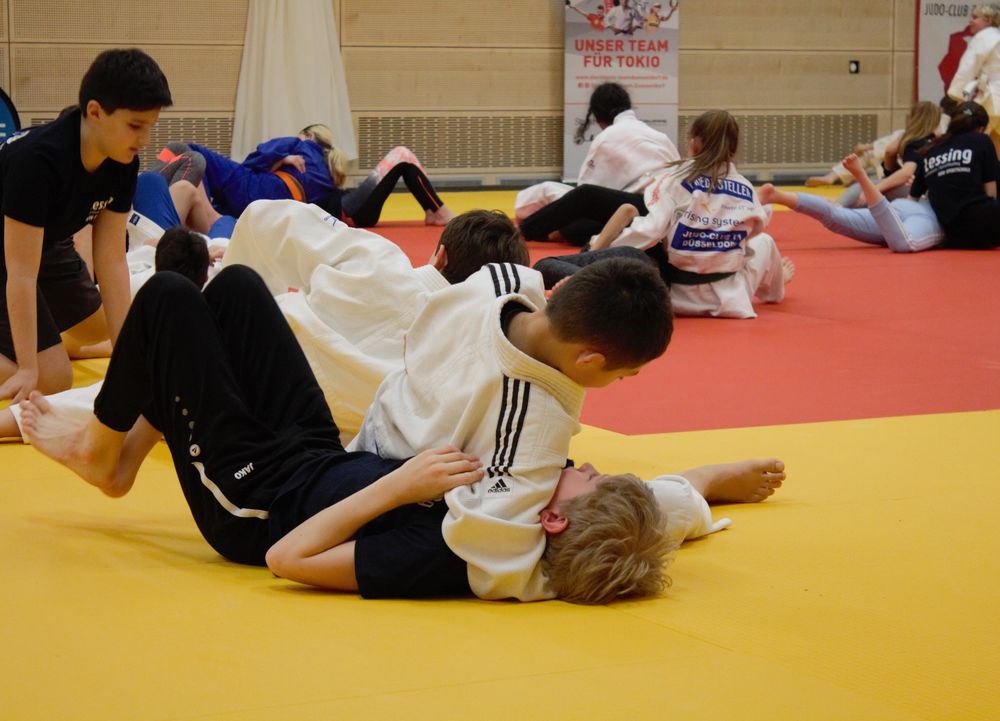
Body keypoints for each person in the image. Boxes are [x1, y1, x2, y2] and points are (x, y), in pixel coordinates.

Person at [16, 266, 780, 603]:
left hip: (257, 505)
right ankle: (134, 439)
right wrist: (704, 481)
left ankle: (105, 458)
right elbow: (646, 508)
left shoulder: (477, 546)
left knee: (169, 299)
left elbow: (288, 557)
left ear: (550, 518)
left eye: (586, 476)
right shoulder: (523, 494)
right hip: (320, 453)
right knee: (240, 289)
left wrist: (399, 485)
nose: (585, 461)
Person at [349, 256, 674, 600]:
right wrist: (594, 575)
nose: (618, 382)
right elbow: (501, 559)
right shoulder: (537, 429)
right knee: (641, 509)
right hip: (383, 475)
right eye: (621, 376)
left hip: (380, 409)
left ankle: (701, 486)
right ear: (588, 360)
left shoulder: (500, 278)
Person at [222, 201, 530, 440]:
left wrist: (259, 304)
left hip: (243, 371)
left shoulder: (378, 259)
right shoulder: (474, 365)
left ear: (441, 256)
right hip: (300, 438)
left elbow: (260, 217)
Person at [0, 48, 172, 402]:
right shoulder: (37, 162)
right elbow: (20, 273)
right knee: (53, 378)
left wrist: (127, 362)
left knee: (99, 329)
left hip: (47, 244)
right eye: (135, 126)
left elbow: (111, 260)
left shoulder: (122, 162)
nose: (144, 140)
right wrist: (28, 368)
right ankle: (33, 355)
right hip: (8, 253)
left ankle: (39, 343)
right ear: (95, 112)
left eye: (149, 127)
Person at [522, 109, 792, 319]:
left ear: (694, 144)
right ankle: (775, 288)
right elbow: (754, 230)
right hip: (731, 297)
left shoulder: (676, 178)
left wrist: (599, 247)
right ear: (733, 149)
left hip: (677, 294)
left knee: (647, 245)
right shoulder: (746, 189)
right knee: (764, 242)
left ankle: (584, 269)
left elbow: (649, 232)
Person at [167, 126, 455, 227]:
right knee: (402, 157)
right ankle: (435, 211)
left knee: (402, 155)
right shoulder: (321, 168)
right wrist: (282, 161)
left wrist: (282, 156)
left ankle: (437, 211)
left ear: (308, 135)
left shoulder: (302, 146)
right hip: (350, 210)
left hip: (347, 209)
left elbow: (253, 160)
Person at [514, 82, 680, 244]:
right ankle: (560, 233)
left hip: (646, 207)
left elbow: (583, 195)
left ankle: (523, 231)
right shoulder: (660, 137)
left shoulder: (608, 136)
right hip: (672, 210)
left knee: (583, 195)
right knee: (589, 221)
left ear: (598, 117)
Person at [758, 155, 945, 253]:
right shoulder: (932, 148)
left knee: (836, 216)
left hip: (904, 204)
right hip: (924, 211)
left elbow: (903, 170)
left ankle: (778, 196)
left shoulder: (933, 151)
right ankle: (862, 178)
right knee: (904, 243)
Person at [908, 101, 1000, 248]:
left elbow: (912, 199)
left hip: (952, 235)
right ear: (981, 128)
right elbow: (991, 193)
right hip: (985, 226)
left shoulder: (930, 148)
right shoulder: (982, 140)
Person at [948, 4, 1000, 157]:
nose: (970, 21)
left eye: (975, 17)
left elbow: (968, 68)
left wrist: (958, 96)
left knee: (974, 139)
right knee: (996, 142)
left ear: (988, 20)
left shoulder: (984, 36)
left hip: (992, 99)